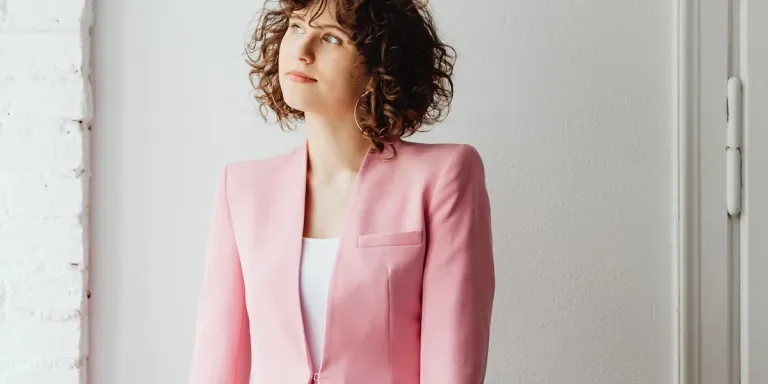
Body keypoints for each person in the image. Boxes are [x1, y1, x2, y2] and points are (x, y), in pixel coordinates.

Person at [188, 0, 495, 383]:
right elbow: (217, 360)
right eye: (296, 27)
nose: (301, 51)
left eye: (331, 38)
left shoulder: (443, 178)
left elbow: (452, 363)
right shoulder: (243, 189)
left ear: (379, 66)